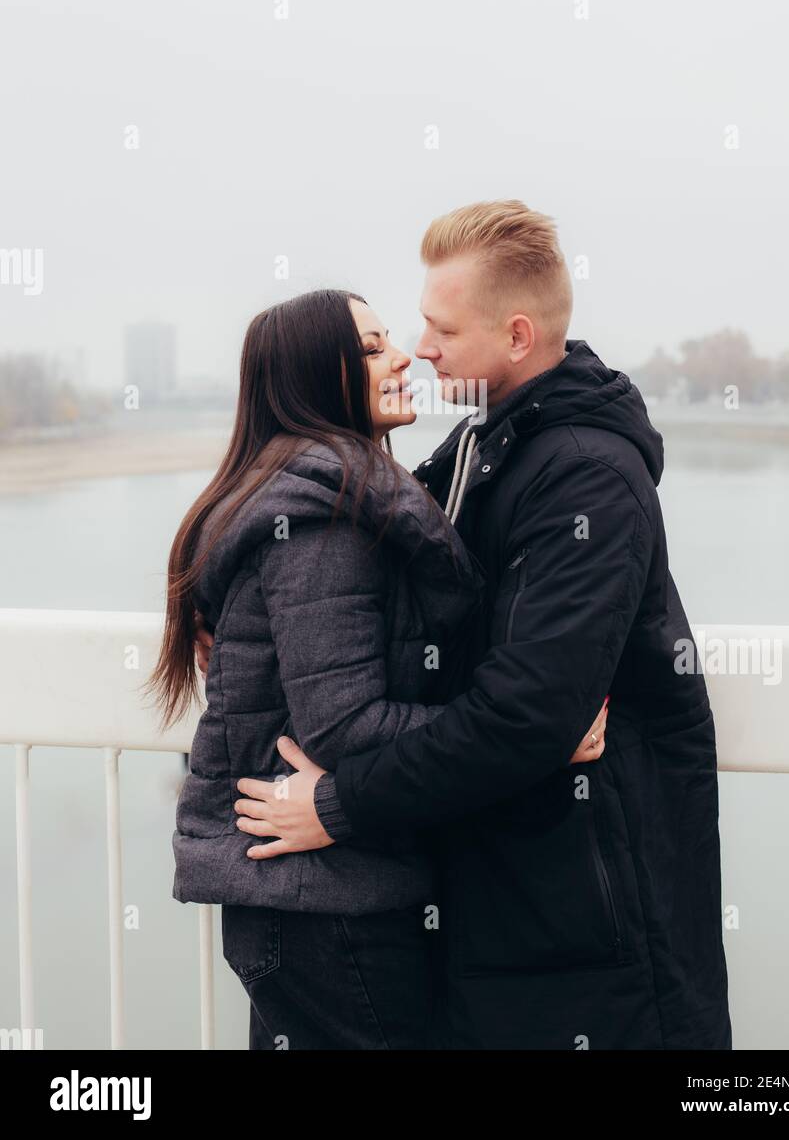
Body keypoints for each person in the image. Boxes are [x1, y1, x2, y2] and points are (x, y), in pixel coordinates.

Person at [207, 199, 733, 1051]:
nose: (423, 348)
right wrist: (232, 614)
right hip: (516, 908)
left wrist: (340, 805)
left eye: (438, 328)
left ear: (517, 337)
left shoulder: (586, 477)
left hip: (603, 930)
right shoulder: (478, 451)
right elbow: (348, 583)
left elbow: (529, 714)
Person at [147, 286, 605, 1050]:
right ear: (312, 376)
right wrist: (532, 738)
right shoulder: (324, 518)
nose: (402, 358)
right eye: (370, 348)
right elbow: (346, 725)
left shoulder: (326, 491)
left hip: (321, 898)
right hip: (327, 911)